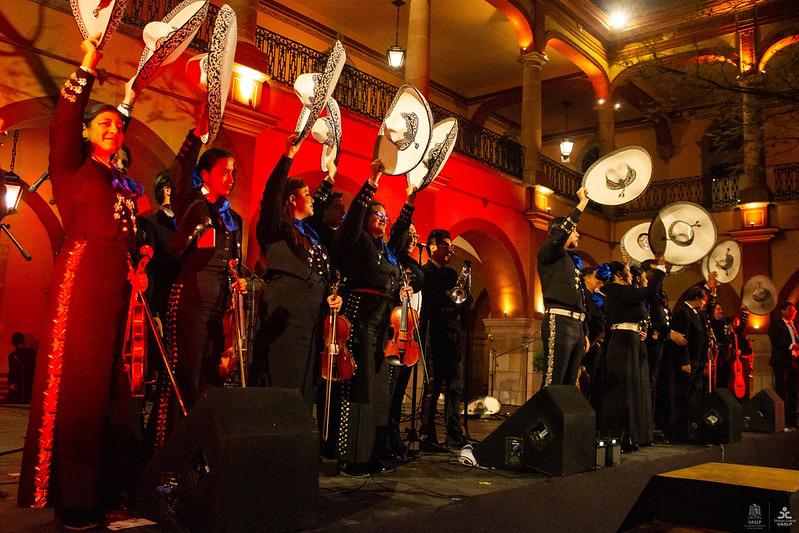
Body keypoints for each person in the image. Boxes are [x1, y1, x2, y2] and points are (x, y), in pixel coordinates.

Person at [18, 35, 146, 529]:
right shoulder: (73, 166)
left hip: (118, 291)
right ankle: (73, 498)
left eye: (118, 125)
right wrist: (89, 62)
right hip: (83, 285)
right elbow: (65, 119)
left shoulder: (120, 183)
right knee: (81, 389)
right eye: (105, 123)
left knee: (114, 392)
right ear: (90, 133)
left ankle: (108, 490)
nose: (113, 129)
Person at [149, 100, 246, 450]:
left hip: (218, 311)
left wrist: (240, 279)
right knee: (184, 379)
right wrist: (197, 135)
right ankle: (168, 454)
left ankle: (199, 450)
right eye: (224, 172)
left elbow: (234, 262)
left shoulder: (231, 218)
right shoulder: (191, 202)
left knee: (210, 380)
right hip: (189, 303)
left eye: (233, 173)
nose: (231, 179)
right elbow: (180, 169)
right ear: (205, 175)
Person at [332, 160, 414, 476]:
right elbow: (352, 220)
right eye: (377, 216)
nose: (383, 221)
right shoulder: (357, 240)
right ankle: (352, 456)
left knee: (378, 390)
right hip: (360, 318)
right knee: (361, 389)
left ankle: (372, 452)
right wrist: (372, 181)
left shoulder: (387, 251)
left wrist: (409, 202)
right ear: (366, 219)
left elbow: (401, 232)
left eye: (386, 217)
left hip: (383, 325)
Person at [252, 134, 341, 409]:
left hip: (311, 321)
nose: (313, 199)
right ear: (291, 200)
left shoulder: (312, 233)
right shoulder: (277, 229)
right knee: (282, 382)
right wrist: (289, 155)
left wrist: (330, 176)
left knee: (306, 385)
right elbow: (271, 196)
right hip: (286, 320)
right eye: (306, 195)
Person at [598, 258, 666, 451]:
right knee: (624, 389)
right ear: (619, 275)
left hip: (632, 341)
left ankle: (637, 434)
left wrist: (642, 329)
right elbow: (649, 292)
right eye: (627, 270)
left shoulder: (624, 293)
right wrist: (660, 270)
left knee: (636, 387)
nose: (630, 273)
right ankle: (624, 436)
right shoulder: (617, 291)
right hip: (623, 342)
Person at [418, 228, 470, 451]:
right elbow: (429, 302)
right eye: (446, 246)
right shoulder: (425, 272)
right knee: (433, 386)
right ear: (433, 247)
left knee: (455, 388)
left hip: (452, 334)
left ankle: (454, 435)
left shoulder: (451, 274)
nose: (450, 250)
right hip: (433, 333)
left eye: (451, 246)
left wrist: (466, 291)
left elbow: (464, 301)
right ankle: (427, 436)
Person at [538, 187, 590, 387]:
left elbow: (579, 300)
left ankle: (560, 419)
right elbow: (561, 233)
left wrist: (583, 331)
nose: (577, 234)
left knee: (568, 383)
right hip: (559, 321)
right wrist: (582, 203)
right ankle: (544, 419)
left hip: (575, 325)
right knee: (554, 380)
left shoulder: (568, 261)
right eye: (574, 231)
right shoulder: (549, 253)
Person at [385, 222, 424, 461]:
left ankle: (394, 438)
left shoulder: (412, 265)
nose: (413, 238)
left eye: (415, 234)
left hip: (409, 338)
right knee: (390, 396)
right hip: (394, 338)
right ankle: (388, 441)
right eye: (409, 234)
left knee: (398, 396)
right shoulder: (393, 261)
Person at [668, 285, 710, 439]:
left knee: (693, 396)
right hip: (688, 361)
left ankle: (690, 428)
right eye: (703, 299)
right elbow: (682, 339)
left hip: (697, 361)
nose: (705, 303)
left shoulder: (697, 314)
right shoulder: (682, 312)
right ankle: (679, 431)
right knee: (683, 397)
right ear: (697, 298)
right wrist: (684, 361)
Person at [768, 301, 799, 429]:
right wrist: (792, 345)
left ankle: (792, 420)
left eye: (794, 311)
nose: (793, 313)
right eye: (790, 310)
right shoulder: (777, 325)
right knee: (782, 389)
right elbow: (777, 341)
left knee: (793, 390)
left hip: (793, 360)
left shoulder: (793, 326)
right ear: (783, 311)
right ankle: (782, 420)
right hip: (782, 361)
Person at [306, 160, 346, 250]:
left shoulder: (341, 237)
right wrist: (331, 173)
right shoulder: (316, 227)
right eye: (337, 207)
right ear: (324, 210)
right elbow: (318, 203)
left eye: (343, 208)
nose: (343, 212)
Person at [7, 332, 36, 404]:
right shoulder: (33, 353)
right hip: (31, 384)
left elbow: (12, 371)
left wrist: (11, 383)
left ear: (13, 343)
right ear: (23, 341)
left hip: (18, 386)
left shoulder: (12, 356)